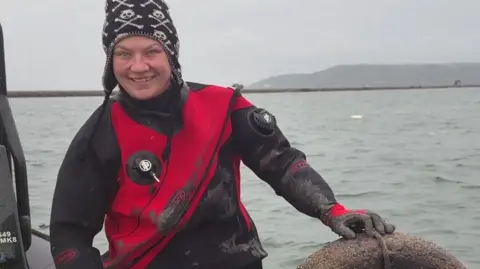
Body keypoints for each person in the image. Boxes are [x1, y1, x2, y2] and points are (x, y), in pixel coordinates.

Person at [48, 0, 395, 268]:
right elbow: (69, 232)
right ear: (111, 61)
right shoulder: (98, 133)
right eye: (124, 54)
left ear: (170, 55)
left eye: (151, 51)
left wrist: (333, 211)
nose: (138, 67)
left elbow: (282, 164)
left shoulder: (223, 106)